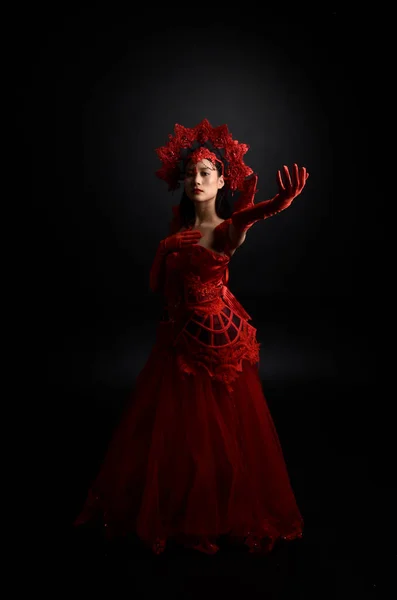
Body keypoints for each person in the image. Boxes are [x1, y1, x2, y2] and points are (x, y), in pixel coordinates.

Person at [74, 118, 309, 556]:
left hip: (215, 338)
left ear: (222, 181)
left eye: (207, 172)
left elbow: (247, 219)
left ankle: (218, 506)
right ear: (183, 181)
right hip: (176, 339)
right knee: (178, 429)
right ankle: (182, 501)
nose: (197, 179)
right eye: (191, 173)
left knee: (220, 427)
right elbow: (155, 287)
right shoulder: (177, 230)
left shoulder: (226, 229)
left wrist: (278, 203)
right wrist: (165, 249)